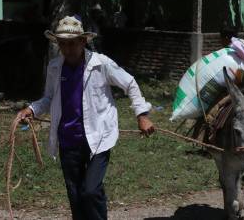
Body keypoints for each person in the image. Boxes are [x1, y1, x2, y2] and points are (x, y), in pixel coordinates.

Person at [17, 15, 155, 220]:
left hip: (98, 138)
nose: (67, 49)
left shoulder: (101, 64)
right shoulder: (55, 67)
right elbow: (48, 97)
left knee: (90, 191)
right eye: (62, 44)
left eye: (72, 43)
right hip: (68, 139)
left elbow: (130, 84)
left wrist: (141, 115)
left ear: (83, 41)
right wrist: (31, 109)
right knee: (75, 194)